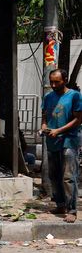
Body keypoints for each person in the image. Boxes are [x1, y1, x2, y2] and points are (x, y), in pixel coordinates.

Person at [41, 69, 82, 223]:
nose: (53, 84)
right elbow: (45, 114)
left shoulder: (74, 96)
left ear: (65, 80)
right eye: (51, 81)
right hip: (52, 141)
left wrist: (59, 130)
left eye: (57, 82)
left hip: (69, 141)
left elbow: (78, 120)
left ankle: (72, 210)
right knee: (54, 175)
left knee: (68, 177)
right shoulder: (48, 97)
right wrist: (44, 125)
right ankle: (60, 204)